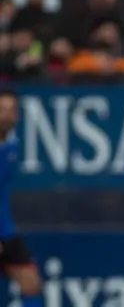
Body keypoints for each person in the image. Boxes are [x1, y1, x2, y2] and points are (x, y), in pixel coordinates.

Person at [0, 90, 43, 307]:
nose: (6, 115)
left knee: (31, 282)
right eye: (2, 110)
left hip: (7, 233)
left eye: (11, 110)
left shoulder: (11, 145)